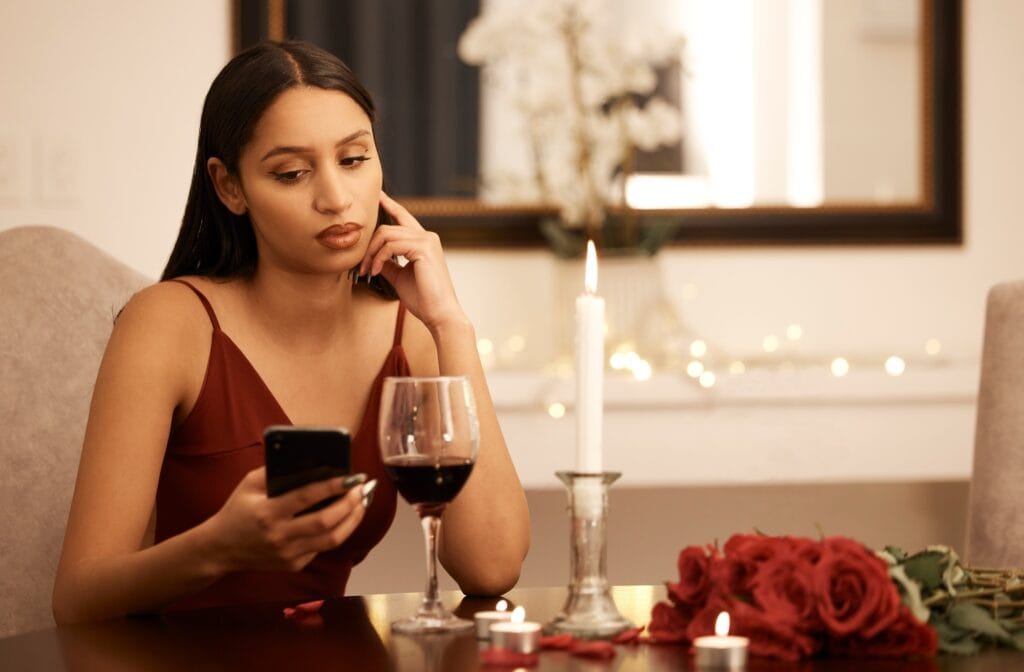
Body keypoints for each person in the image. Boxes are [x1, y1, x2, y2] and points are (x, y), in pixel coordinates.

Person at [52, 40, 530, 623]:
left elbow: (492, 568)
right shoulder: (169, 324)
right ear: (230, 186)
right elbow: (76, 601)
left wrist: (450, 323)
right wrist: (217, 547)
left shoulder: (409, 335)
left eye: (353, 160)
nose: (335, 198)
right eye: (292, 173)